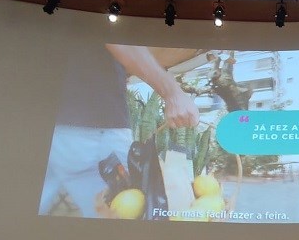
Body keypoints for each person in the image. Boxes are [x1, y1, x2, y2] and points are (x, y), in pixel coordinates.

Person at [38, 44, 200, 218]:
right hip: (92, 129)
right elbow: (121, 42)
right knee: (121, 219)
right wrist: (172, 92)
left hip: (50, 123)